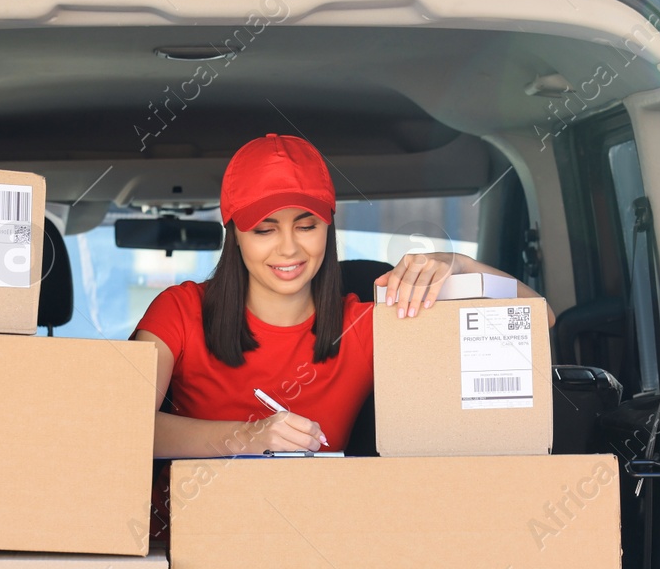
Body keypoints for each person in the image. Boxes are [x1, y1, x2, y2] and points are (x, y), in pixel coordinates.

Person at [132, 132, 541, 458]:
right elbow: (123, 426)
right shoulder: (180, 311)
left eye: (306, 226)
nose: (289, 248)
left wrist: (460, 264)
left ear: (328, 226)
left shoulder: (367, 327)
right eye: (264, 229)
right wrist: (247, 437)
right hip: (184, 540)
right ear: (235, 235)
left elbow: (538, 319)